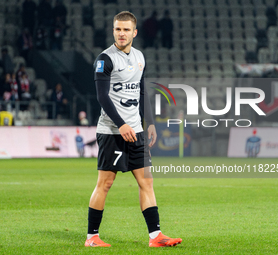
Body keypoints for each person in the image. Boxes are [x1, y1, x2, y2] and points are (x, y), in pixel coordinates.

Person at [85, 11, 182, 248]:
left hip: (136, 130)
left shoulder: (139, 57)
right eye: (118, 29)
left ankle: (156, 236)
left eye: (126, 29)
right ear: (113, 31)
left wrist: (148, 123)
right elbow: (101, 97)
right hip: (112, 131)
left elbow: (142, 91)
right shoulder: (105, 59)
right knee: (105, 183)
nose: (121, 33)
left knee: (146, 182)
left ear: (134, 33)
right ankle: (92, 238)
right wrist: (121, 124)